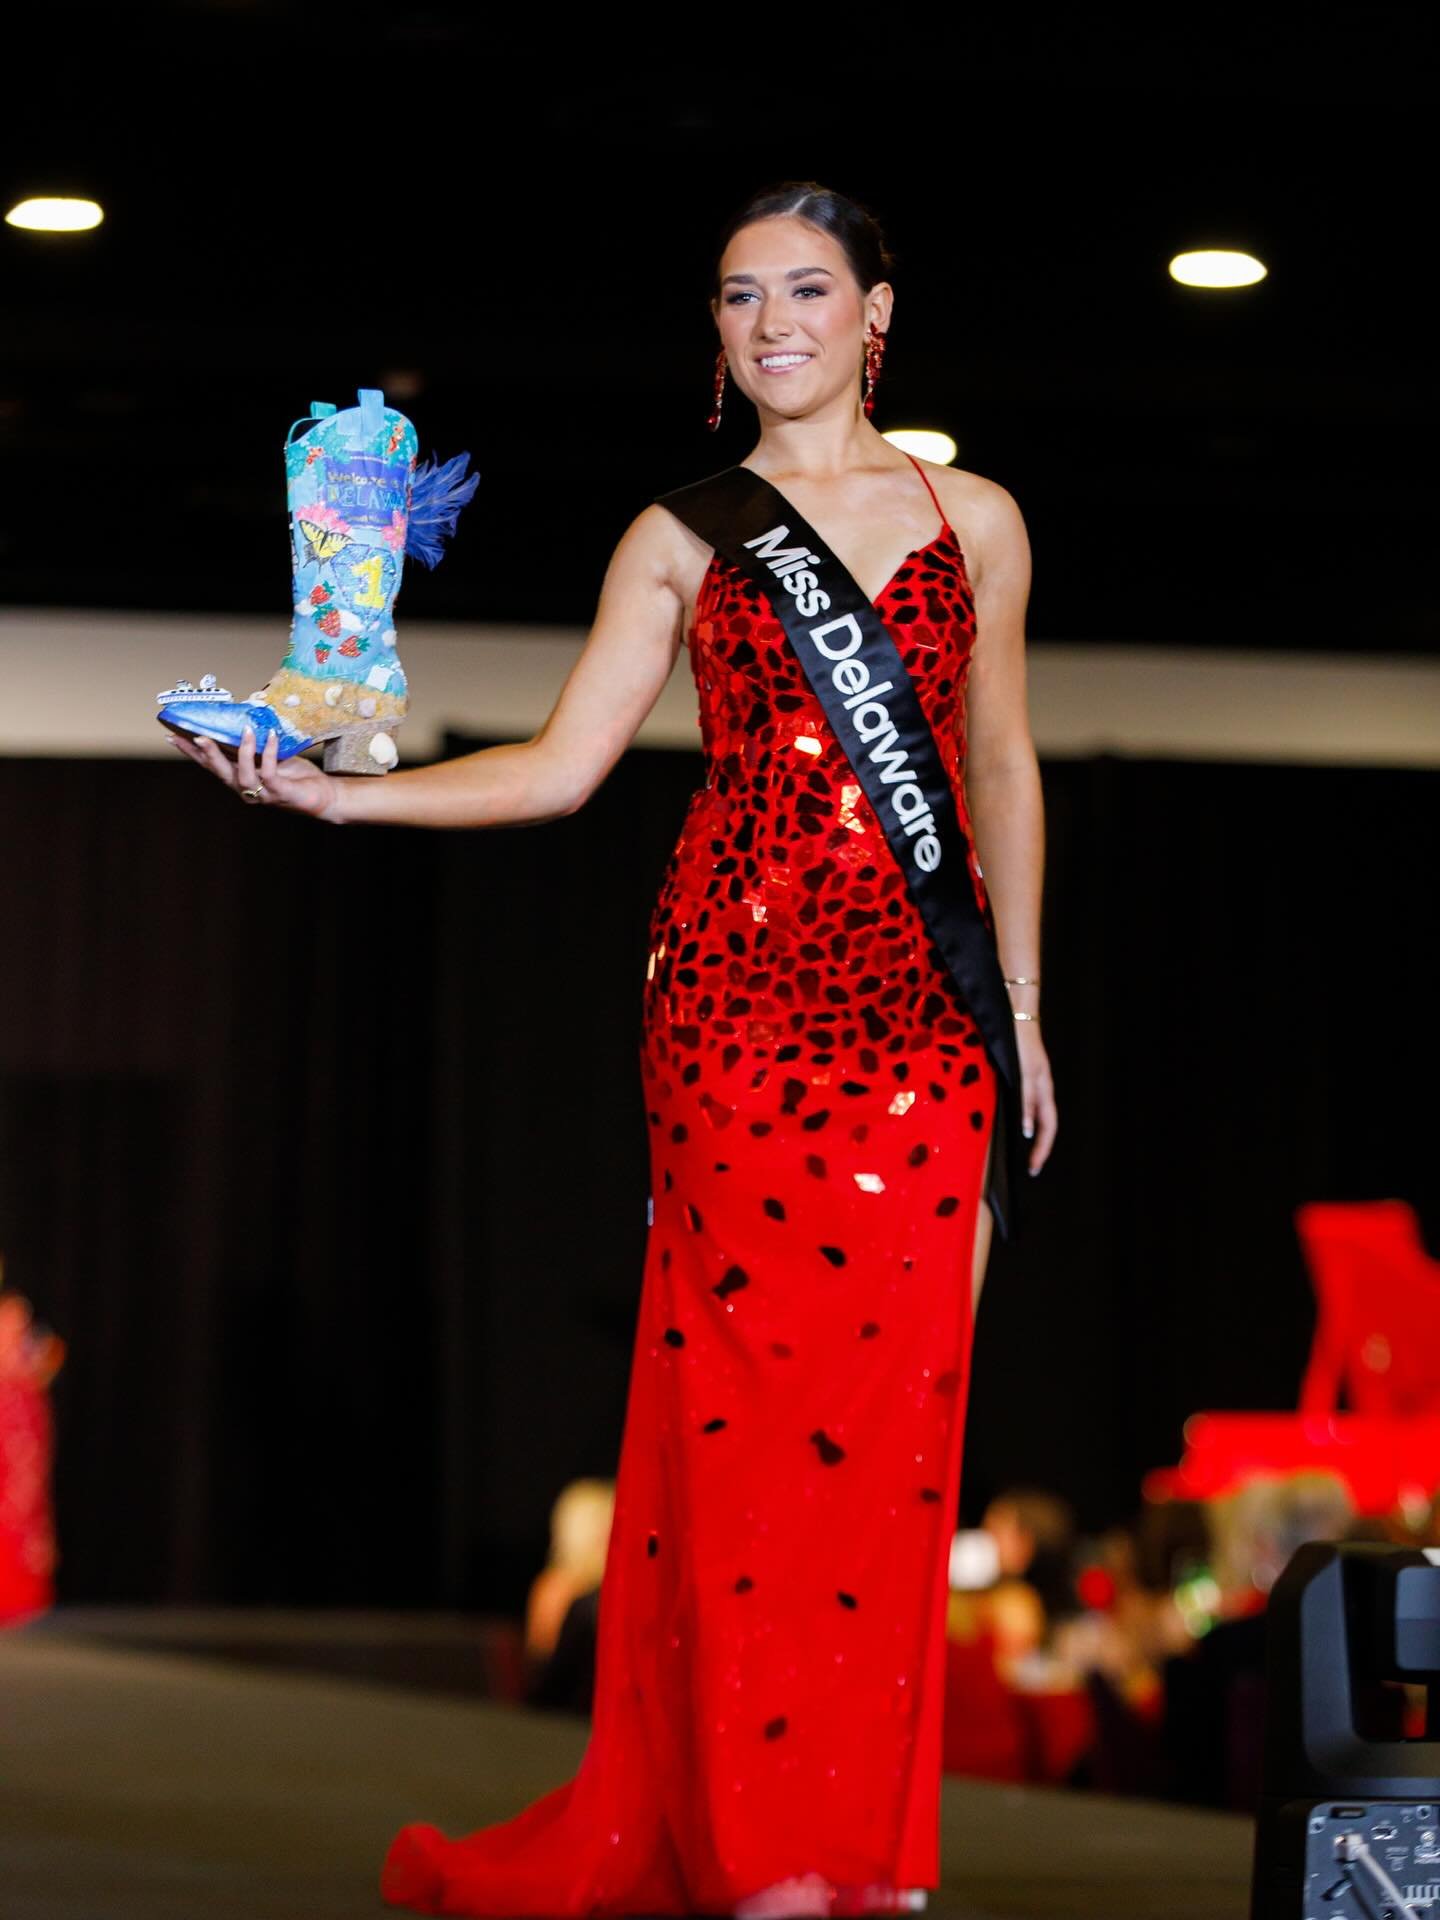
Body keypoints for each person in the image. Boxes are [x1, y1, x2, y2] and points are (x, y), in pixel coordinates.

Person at [171, 178, 1058, 1919]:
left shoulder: (984, 523)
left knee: (893, 1443)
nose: (774, 320)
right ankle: (752, 1849)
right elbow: (565, 767)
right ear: (717, 334)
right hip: (733, 1020)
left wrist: (1022, 1008)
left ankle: (854, 1843)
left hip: (926, 1028)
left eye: (809, 288)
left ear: (879, 313)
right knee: (740, 1443)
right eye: (740, 296)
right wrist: (341, 803)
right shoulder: (683, 530)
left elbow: (1003, 766)